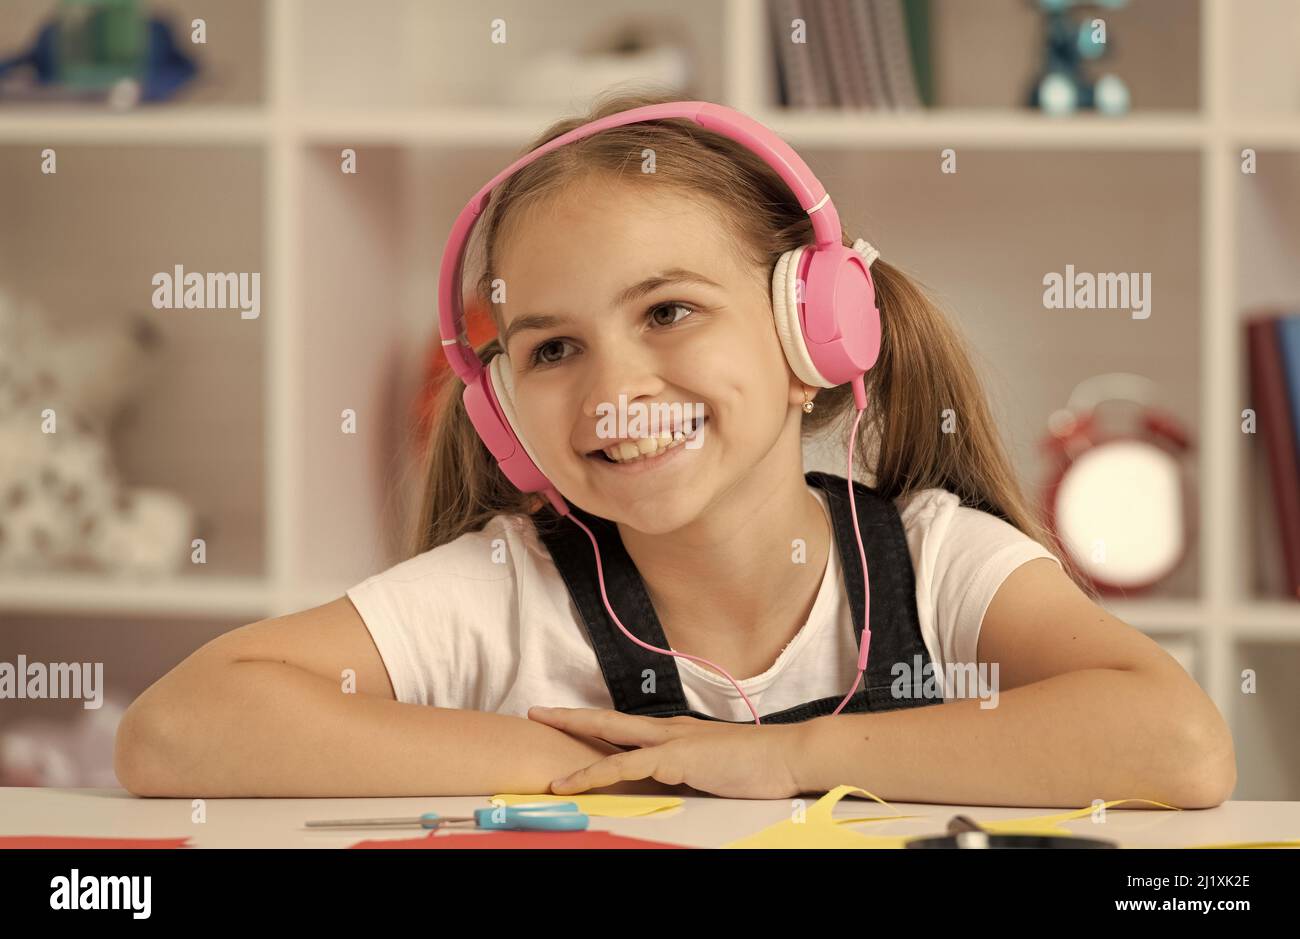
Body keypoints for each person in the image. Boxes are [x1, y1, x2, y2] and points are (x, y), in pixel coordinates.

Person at [115, 89, 1235, 807]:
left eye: (667, 312)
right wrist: (637, 772)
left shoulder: (938, 560)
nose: (614, 388)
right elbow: (176, 734)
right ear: (501, 411)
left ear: (814, 333)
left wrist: (785, 763)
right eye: (552, 348)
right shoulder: (506, 588)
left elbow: (1174, 744)